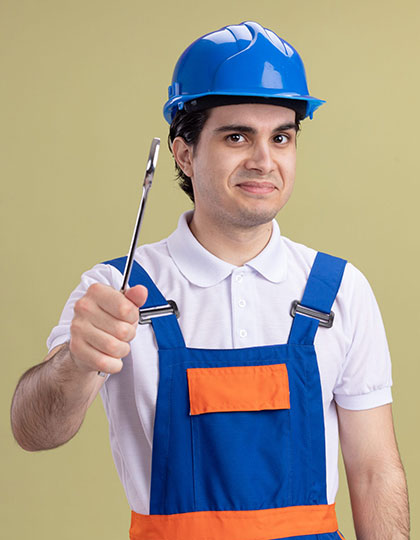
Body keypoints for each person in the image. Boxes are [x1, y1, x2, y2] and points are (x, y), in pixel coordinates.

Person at [11, 21, 409, 540]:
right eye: (237, 136)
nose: (264, 161)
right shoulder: (116, 291)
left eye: (281, 137)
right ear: (184, 153)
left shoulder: (338, 290)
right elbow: (33, 431)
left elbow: (375, 471)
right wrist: (77, 362)